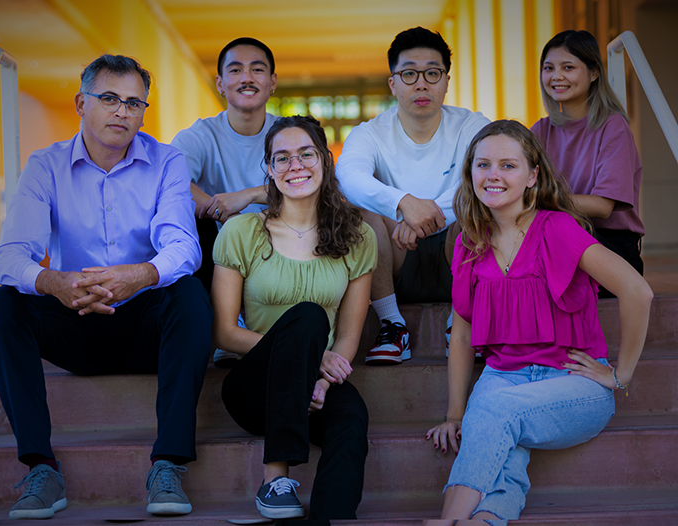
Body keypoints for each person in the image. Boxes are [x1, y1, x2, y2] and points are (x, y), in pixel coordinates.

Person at [0, 54, 213, 520]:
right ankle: (41, 469)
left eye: (134, 103)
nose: (122, 112)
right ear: (80, 103)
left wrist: (141, 275)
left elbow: (183, 247)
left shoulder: (167, 161)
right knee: (6, 304)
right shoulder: (45, 166)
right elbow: (6, 256)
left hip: (144, 323)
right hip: (76, 321)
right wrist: (54, 282)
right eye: (109, 98)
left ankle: (168, 463)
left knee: (189, 294)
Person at [425, 120, 653, 523]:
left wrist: (620, 375)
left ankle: (446, 521)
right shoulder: (468, 242)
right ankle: (482, 520)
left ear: (532, 176)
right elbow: (461, 337)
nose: (493, 175)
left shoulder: (559, 228)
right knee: (503, 453)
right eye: (483, 165)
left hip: (572, 382)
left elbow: (638, 292)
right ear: (470, 173)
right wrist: (455, 414)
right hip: (502, 377)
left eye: (508, 165)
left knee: (495, 412)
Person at [211, 115, 376, 521]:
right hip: (254, 387)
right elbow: (224, 331)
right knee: (307, 317)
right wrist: (308, 357)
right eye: (281, 158)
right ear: (269, 169)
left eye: (306, 154)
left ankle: (330, 517)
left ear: (325, 159)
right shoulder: (241, 231)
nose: (295, 165)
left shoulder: (358, 236)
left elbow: (347, 338)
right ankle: (275, 480)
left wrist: (320, 377)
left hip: (314, 385)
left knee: (352, 419)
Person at [336, 26, 489, 365]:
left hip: (459, 252)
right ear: (393, 83)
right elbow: (348, 178)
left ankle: (460, 324)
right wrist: (403, 204)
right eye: (409, 74)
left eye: (432, 73)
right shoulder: (370, 133)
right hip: (395, 258)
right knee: (360, 216)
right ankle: (392, 325)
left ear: (446, 81)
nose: (421, 83)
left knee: (480, 206)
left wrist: (422, 220)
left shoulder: (472, 126)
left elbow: (487, 180)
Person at [172, 36, 277, 366]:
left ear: (272, 82)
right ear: (220, 83)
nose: (247, 78)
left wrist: (247, 197)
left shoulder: (288, 133)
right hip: (220, 245)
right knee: (190, 219)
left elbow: (319, 185)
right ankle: (225, 328)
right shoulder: (200, 135)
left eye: (257, 69)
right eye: (236, 70)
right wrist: (219, 212)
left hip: (280, 236)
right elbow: (170, 181)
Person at [532, 30, 644, 298]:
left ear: (594, 73)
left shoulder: (612, 127)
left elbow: (603, 206)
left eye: (568, 67)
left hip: (610, 249)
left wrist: (538, 200)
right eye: (549, 68)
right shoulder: (540, 131)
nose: (556, 76)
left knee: (555, 228)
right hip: (557, 238)